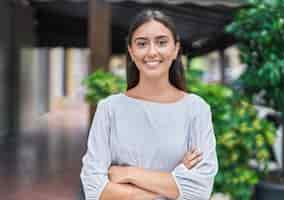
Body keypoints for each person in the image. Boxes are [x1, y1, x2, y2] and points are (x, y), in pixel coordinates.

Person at [80, 9, 218, 200]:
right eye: (142, 43)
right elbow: (94, 189)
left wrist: (128, 174)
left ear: (176, 49)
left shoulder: (196, 109)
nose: (152, 52)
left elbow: (199, 191)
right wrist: (172, 183)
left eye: (161, 42)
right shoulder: (109, 109)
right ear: (131, 50)